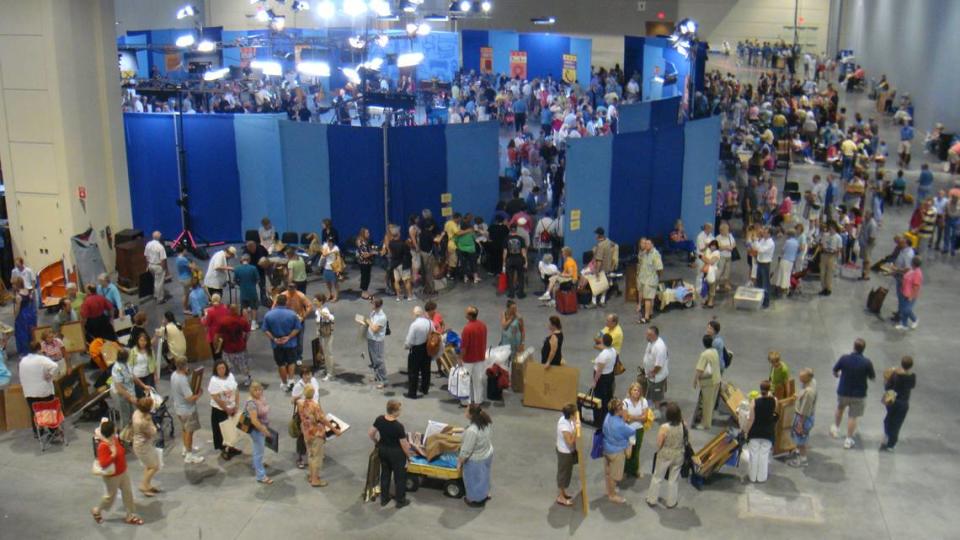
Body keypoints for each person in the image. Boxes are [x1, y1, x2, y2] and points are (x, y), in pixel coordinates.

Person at [90, 420, 142, 526]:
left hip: (123, 471)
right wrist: (113, 454)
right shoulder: (103, 446)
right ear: (112, 432)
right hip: (112, 476)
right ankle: (97, 510)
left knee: (128, 493)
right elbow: (103, 463)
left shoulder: (114, 439)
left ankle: (129, 515)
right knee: (109, 497)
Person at [831, 338, 876, 449]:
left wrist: (837, 375)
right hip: (859, 394)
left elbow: (835, 370)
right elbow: (872, 377)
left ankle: (836, 428)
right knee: (853, 416)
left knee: (840, 408)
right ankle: (848, 439)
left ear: (854, 347)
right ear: (863, 349)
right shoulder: (867, 362)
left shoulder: (844, 358)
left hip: (843, 391)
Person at [369, 400, 415, 508]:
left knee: (385, 474)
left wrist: (376, 442)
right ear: (394, 411)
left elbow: (371, 433)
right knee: (400, 477)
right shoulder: (398, 426)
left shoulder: (379, 419)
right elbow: (404, 444)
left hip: (383, 450)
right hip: (396, 454)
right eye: (399, 410)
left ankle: (384, 498)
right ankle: (400, 501)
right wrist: (409, 456)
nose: (400, 412)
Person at [646, 402, 686, 508]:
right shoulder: (683, 424)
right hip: (679, 454)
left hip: (665, 455)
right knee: (673, 479)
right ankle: (671, 502)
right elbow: (687, 439)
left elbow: (659, 443)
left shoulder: (664, 427)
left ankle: (652, 499)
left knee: (658, 477)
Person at [299, 384, 340, 486]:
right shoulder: (315, 405)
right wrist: (334, 429)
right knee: (317, 457)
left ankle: (311, 475)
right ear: (313, 393)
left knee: (311, 455)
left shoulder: (300, 403)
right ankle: (315, 480)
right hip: (316, 433)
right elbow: (322, 419)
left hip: (307, 432)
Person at [262, 294, 303, 392]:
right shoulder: (292, 314)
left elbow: (265, 329)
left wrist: (274, 339)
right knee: (291, 362)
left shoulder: (268, 315)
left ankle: (284, 383)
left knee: (281, 364)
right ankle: (291, 380)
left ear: (276, 302)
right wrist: (288, 337)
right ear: (286, 302)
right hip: (290, 343)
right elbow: (297, 328)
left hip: (277, 344)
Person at [19, 341, 58, 436]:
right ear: (40, 349)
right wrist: (50, 375)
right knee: (48, 410)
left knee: (34, 412)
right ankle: (53, 430)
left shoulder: (23, 361)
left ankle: (38, 432)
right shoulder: (42, 359)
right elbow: (55, 366)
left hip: (29, 392)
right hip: (44, 391)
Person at [460, 404, 495, 508]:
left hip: (476, 459)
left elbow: (466, 450)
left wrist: (460, 461)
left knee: (473, 480)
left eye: (466, 411)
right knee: (484, 476)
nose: (464, 413)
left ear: (471, 415)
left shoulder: (472, 431)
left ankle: (474, 500)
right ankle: (485, 494)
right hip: (487, 453)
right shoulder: (486, 422)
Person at [170, 357, 204, 464]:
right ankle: (189, 455)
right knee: (189, 431)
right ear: (185, 366)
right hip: (188, 410)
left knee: (184, 429)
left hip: (178, 408)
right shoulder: (182, 379)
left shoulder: (173, 375)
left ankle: (185, 448)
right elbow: (189, 398)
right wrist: (199, 394)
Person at [601, 398, 635, 504]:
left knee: (608, 472)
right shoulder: (620, 425)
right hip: (616, 452)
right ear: (617, 410)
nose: (623, 409)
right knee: (614, 476)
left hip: (606, 448)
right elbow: (631, 431)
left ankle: (609, 491)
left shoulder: (608, 416)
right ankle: (612, 495)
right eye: (621, 407)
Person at [743, 381, 778, 483]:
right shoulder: (774, 401)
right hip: (768, 432)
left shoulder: (754, 402)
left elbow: (751, 419)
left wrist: (746, 431)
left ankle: (752, 477)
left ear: (760, 389)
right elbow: (775, 413)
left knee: (753, 455)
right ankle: (762, 478)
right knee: (764, 455)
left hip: (755, 431)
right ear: (769, 389)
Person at [881, 356, 917, 452]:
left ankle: (887, 435)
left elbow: (887, 387)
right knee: (897, 424)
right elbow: (912, 385)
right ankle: (891, 444)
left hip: (892, 400)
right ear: (910, 366)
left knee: (888, 419)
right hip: (903, 403)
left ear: (901, 363)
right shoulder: (912, 376)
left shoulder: (895, 375)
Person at [208, 359, 241, 460]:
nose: (221, 370)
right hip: (220, 410)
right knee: (223, 431)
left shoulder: (230, 376)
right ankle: (224, 450)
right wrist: (226, 408)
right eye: (219, 368)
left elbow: (236, 390)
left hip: (232, 407)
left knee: (233, 429)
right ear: (216, 370)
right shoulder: (214, 380)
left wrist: (236, 405)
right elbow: (216, 397)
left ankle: (231, 447)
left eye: (223, 368)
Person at [244, 381, 273, 484]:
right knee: (259, 452)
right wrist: (264, 431)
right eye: (255, 390)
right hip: (256, 430)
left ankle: (256, 465)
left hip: (262, 426)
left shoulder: (260, 398)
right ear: (251, 390)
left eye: (260, 389)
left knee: (258, 450)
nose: (258, 392)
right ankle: (260, 476)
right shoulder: (251, 403)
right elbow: (254, 421)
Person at [131, 397, 160, 496]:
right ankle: (144, 485)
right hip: (142, 446)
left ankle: (147, 484)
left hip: (143, 444)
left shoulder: (137, 413)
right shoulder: (143, 422)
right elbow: (152, 432)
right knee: (154, 467)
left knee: (149, 465)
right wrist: (150, 421)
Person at [460, 306, 488, 406]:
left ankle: (465, 401)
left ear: (470, 316)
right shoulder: (483, 325)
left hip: (468, 359)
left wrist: (460, 358)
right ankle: (478, 400)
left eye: (466, 312)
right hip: (480, 357)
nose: (465, 313)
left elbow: (464, 347)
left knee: (465, 380)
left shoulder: (467, 329)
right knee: (478, 380)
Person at [788, 368, 817, 467]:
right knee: (800, 439)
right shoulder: (812, 382)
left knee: (801, 440)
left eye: (802, 378)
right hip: (803, 417)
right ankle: (799, 452)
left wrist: (800, 424)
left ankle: (802, 460)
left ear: (807, 378)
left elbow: (805, 410)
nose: (800, 379)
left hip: (803, 419)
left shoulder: (809, 393)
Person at [218, 305, 252, 387]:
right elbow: (248, 333)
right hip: (240, 347)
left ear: (229, 310)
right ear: (237, 310)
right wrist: (245, 341)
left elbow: (219, 334)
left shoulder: (223, 321)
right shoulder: (242, 321)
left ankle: (229, 379)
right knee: (243, 364)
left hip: (227, 348)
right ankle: (247, 378)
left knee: (228, 365)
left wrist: (218, 345)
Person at [110, 350, 144, 433]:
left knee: (134, 414)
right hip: (121, 394)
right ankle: (124, 438)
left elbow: (132, 376)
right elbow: (119, 387)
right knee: (125, 416)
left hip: (130, 391)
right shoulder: (117, 368)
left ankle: (133, 433)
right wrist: (130, 397)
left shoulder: (127, 364)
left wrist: (143, 385)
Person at [403, 306, 432, 399]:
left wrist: (406, 346)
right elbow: (434, 334)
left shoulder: (414, 325)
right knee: (426, 370)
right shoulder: (430, 322)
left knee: (413, 372)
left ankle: (412, 393)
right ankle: (424, 388)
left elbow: (410, 340)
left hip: (416, 349)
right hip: (427, 348)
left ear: (414, 314)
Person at [694, 334, 722, 430]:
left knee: (707, 404)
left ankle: (705, 424)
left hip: (708, 382)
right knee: (711, 402)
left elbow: (699, 369)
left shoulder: (704, 354)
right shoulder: (715, 351)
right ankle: (708, 420)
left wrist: (695, 381)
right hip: (716, 379)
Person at [623, 381, 650, 478]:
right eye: (634, 390)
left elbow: (645, 418)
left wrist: (632, 417)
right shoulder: (625, 402)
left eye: (638, 390)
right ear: (630, 391)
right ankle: (626, 470)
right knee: (627, 451)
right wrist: (639, 417)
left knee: (636, 450)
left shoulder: (644, 401)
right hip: (628, 430)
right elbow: (625, 418)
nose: (636, 392)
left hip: (639, 429)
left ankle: (635, 470)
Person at [591, 333, 617, 426]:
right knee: (608, 396)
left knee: (600, 398)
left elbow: (599, 370)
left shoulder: (603, 356)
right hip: (610, 375)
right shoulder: (613, 350)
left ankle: (600, 419)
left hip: (602, 378)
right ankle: (609, 415)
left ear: (603, 341)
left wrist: (594, 381)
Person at [555, 403, 578, 506]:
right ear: (571, 415)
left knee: (567, 473)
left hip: (569, 452)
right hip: (564, 452)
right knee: (563, 474)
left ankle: (563, 493)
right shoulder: (564, 425)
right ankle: (561, 497)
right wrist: (576, 431)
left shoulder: (569, 420)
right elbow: (570, 441)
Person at [635, 238, 663, 324]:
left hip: (650, 280)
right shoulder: (645, 253)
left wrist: (657, 278)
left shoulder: (655, 254)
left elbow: (660, 268)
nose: (645, 245)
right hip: (644, 278)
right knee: (648, 298)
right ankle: (650, 312)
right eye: (645, 244)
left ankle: (646, 317)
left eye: (647, 244)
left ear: (652, 245)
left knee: (648, 298)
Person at [642, 326, 669, 411]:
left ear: (655, 335)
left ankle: (657, 412)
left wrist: (652, 373)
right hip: (650, 375)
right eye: (647, 334)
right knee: (651, 393)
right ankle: (651, 407)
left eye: (649, 334)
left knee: (657, 396)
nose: (647, 336)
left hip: (657, 377)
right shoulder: (651, 342)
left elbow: (659, 365)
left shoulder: (660, 347)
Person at [364, 297, 388, 390]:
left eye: (372, 304)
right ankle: (377, 376)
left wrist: (368, 321)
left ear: (376, 305)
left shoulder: (382, 317)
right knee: (373, 360)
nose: (371, 305)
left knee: (379, 361)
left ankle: (383, 380)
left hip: (377, 341)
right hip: (371, 339)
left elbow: (375, 329)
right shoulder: (373, 313)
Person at [895, 256, 923, 331]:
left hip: (910, 294)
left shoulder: (917, 273)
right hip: (904, 292)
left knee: (906, 309)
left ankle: (915, 319)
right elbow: (905, 273)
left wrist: (911, 296)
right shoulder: (912, 270)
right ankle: (904, 324)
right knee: (903, 309)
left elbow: (916, 286)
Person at [234, 254, 261, 329]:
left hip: (243, 291)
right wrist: (253, 283)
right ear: (249, 260)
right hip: (252, 291)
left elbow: (235, 281)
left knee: (244, 307)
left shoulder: (237, 269)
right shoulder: (253, 268)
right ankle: (253, 324)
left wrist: (241, 285)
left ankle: (246, 324)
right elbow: (258, 279)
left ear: (241, 260)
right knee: (254, 307)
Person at [12, 276, 37, 356]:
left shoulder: (18, 296)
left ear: (17, 285)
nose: (12, 286)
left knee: (22, 333)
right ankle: (33, 347)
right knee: (31, 331)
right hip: (30, 313)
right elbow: (31, 300)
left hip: (22, 316)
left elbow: (17, 309)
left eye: (13, 284)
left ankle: (25, 352)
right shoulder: (27, 291)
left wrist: (15, 318)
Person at [313, 294, 336, 380]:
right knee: (325, 353)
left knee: (328, 354)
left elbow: (332, 318)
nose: (314, 301)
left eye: (315, 300)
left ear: (320, 302)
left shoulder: (324, 310)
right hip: (321, 334)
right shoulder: (317, 310)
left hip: (327, 335)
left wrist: (325, 315)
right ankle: (328, 369)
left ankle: (330, 373)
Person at [502, 224, 528, 299]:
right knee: (521, 277)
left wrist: (503, 263)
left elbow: (505, 252)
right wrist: (526, 261)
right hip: (519, 259)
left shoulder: (506, 239)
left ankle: (511, 293)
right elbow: (523, 251)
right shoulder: (521, 239)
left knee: (510, 277)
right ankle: (520, 294)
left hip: (510, 259)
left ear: (510, 230)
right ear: (516, 229)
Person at [129, 333, 158, 399]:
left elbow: (153, 363)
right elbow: (130, 366)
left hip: (148, 375)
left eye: (145, 341)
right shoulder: (133, 351)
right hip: (137, 377)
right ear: (138, 341)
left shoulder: (149, 350)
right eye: (141, 340)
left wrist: (155, 375)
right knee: (141, 396)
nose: (143, 342)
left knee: (151, 394)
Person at [144, 231, 167, 303]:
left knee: (155, 281)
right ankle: (160, 299)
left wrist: (147, 265)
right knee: (159, 283)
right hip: (158, 266)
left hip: (150, 265)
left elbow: (146, 255)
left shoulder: (148, 244)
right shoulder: (160, 247)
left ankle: (156, 295)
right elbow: (163, 259)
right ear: (159, 237)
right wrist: (164, 268)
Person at [819, 221, 842, 295]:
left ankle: (828, 288)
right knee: (822, 273)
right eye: (830, 227)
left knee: (829, 273)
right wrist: (824, 248)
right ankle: (823, 287)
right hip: (824, 255)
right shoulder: (825, 235)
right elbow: (822, 244)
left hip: (832, 256)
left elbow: (839, 248)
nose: (831, 229)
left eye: (832, 228)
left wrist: (835, 252)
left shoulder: (838, 237)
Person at [754, 226, 775, 308]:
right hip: (760, 262)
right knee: (758, 282)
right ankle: (759, 299)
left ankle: (766, 302)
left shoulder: (770, 243)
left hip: (765, 264)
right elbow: (757, 247)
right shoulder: (763, 240)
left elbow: (760, 250)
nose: (763, 233)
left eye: (765, 232)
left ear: (769, 234)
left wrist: (756, 240)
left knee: (765, 283)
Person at [175, 246, 197, 315]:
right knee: (186, 294)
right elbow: (193, 267)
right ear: (183, 250)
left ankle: (186, 306)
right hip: (186, 278)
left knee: (187, 293)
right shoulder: (183, 259)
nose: (186, 252)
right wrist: (193, 263)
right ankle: (185, 309)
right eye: (186, 250)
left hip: (182, 278)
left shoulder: (177, 258)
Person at [356, 228, 376, 300]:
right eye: (367, 233)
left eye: (368, 232)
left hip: (368, 262)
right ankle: (363, 292)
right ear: (363, 233)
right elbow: (364, 254)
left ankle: (366, 291)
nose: (369, 234)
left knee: (368, 277)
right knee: (364, 277)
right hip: (363, 263)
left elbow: (370, 250)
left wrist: (373, 252)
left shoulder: (368, 241)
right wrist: (372, 253)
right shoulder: (360, 241)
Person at [320, 238, 341, 302]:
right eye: (328, 242)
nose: (328, 243)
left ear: (333, 243)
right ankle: (330, 294)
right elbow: (323, 255)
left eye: (330, 242)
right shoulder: (326, 247)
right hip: (326, 267)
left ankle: (336, 296)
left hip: (333, 268)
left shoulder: (336, 249)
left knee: (335, 283)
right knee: (327, 282)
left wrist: (338, 269)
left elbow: (338, 258)